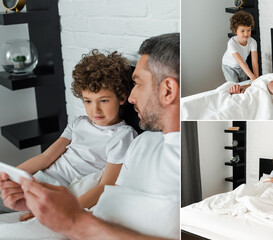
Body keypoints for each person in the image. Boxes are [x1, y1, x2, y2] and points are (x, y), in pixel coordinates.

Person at [0, 33, 180, 240]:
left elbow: (105, 186)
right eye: (88, 101)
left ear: (168, 90)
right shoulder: (143, 143)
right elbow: (110, 192)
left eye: (138, 84)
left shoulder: (126, 138)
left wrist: (72, 218)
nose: (131, 98)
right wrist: (21, 183)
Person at [0, 50, 137, 219]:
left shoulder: (122, 135)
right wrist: (12, 176)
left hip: (58, 189)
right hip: (39, 178)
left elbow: (106, 186)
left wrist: (67, 210)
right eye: (88, 101)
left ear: (122, 98)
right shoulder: (78, 123)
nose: (95, 110)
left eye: (104, 100)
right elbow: (46, 157)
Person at [222, 10, 259, 83]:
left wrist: (257, 79)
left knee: (244, 84)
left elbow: (254, 62)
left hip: (242, 66)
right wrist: (252, 77)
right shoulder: (232, 43)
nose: (246, 34)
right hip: (229, 67)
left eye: (248, 30)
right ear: (235, 31)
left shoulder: (253, 42)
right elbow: (240, 62)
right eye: (242, 31)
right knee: (235, 86)